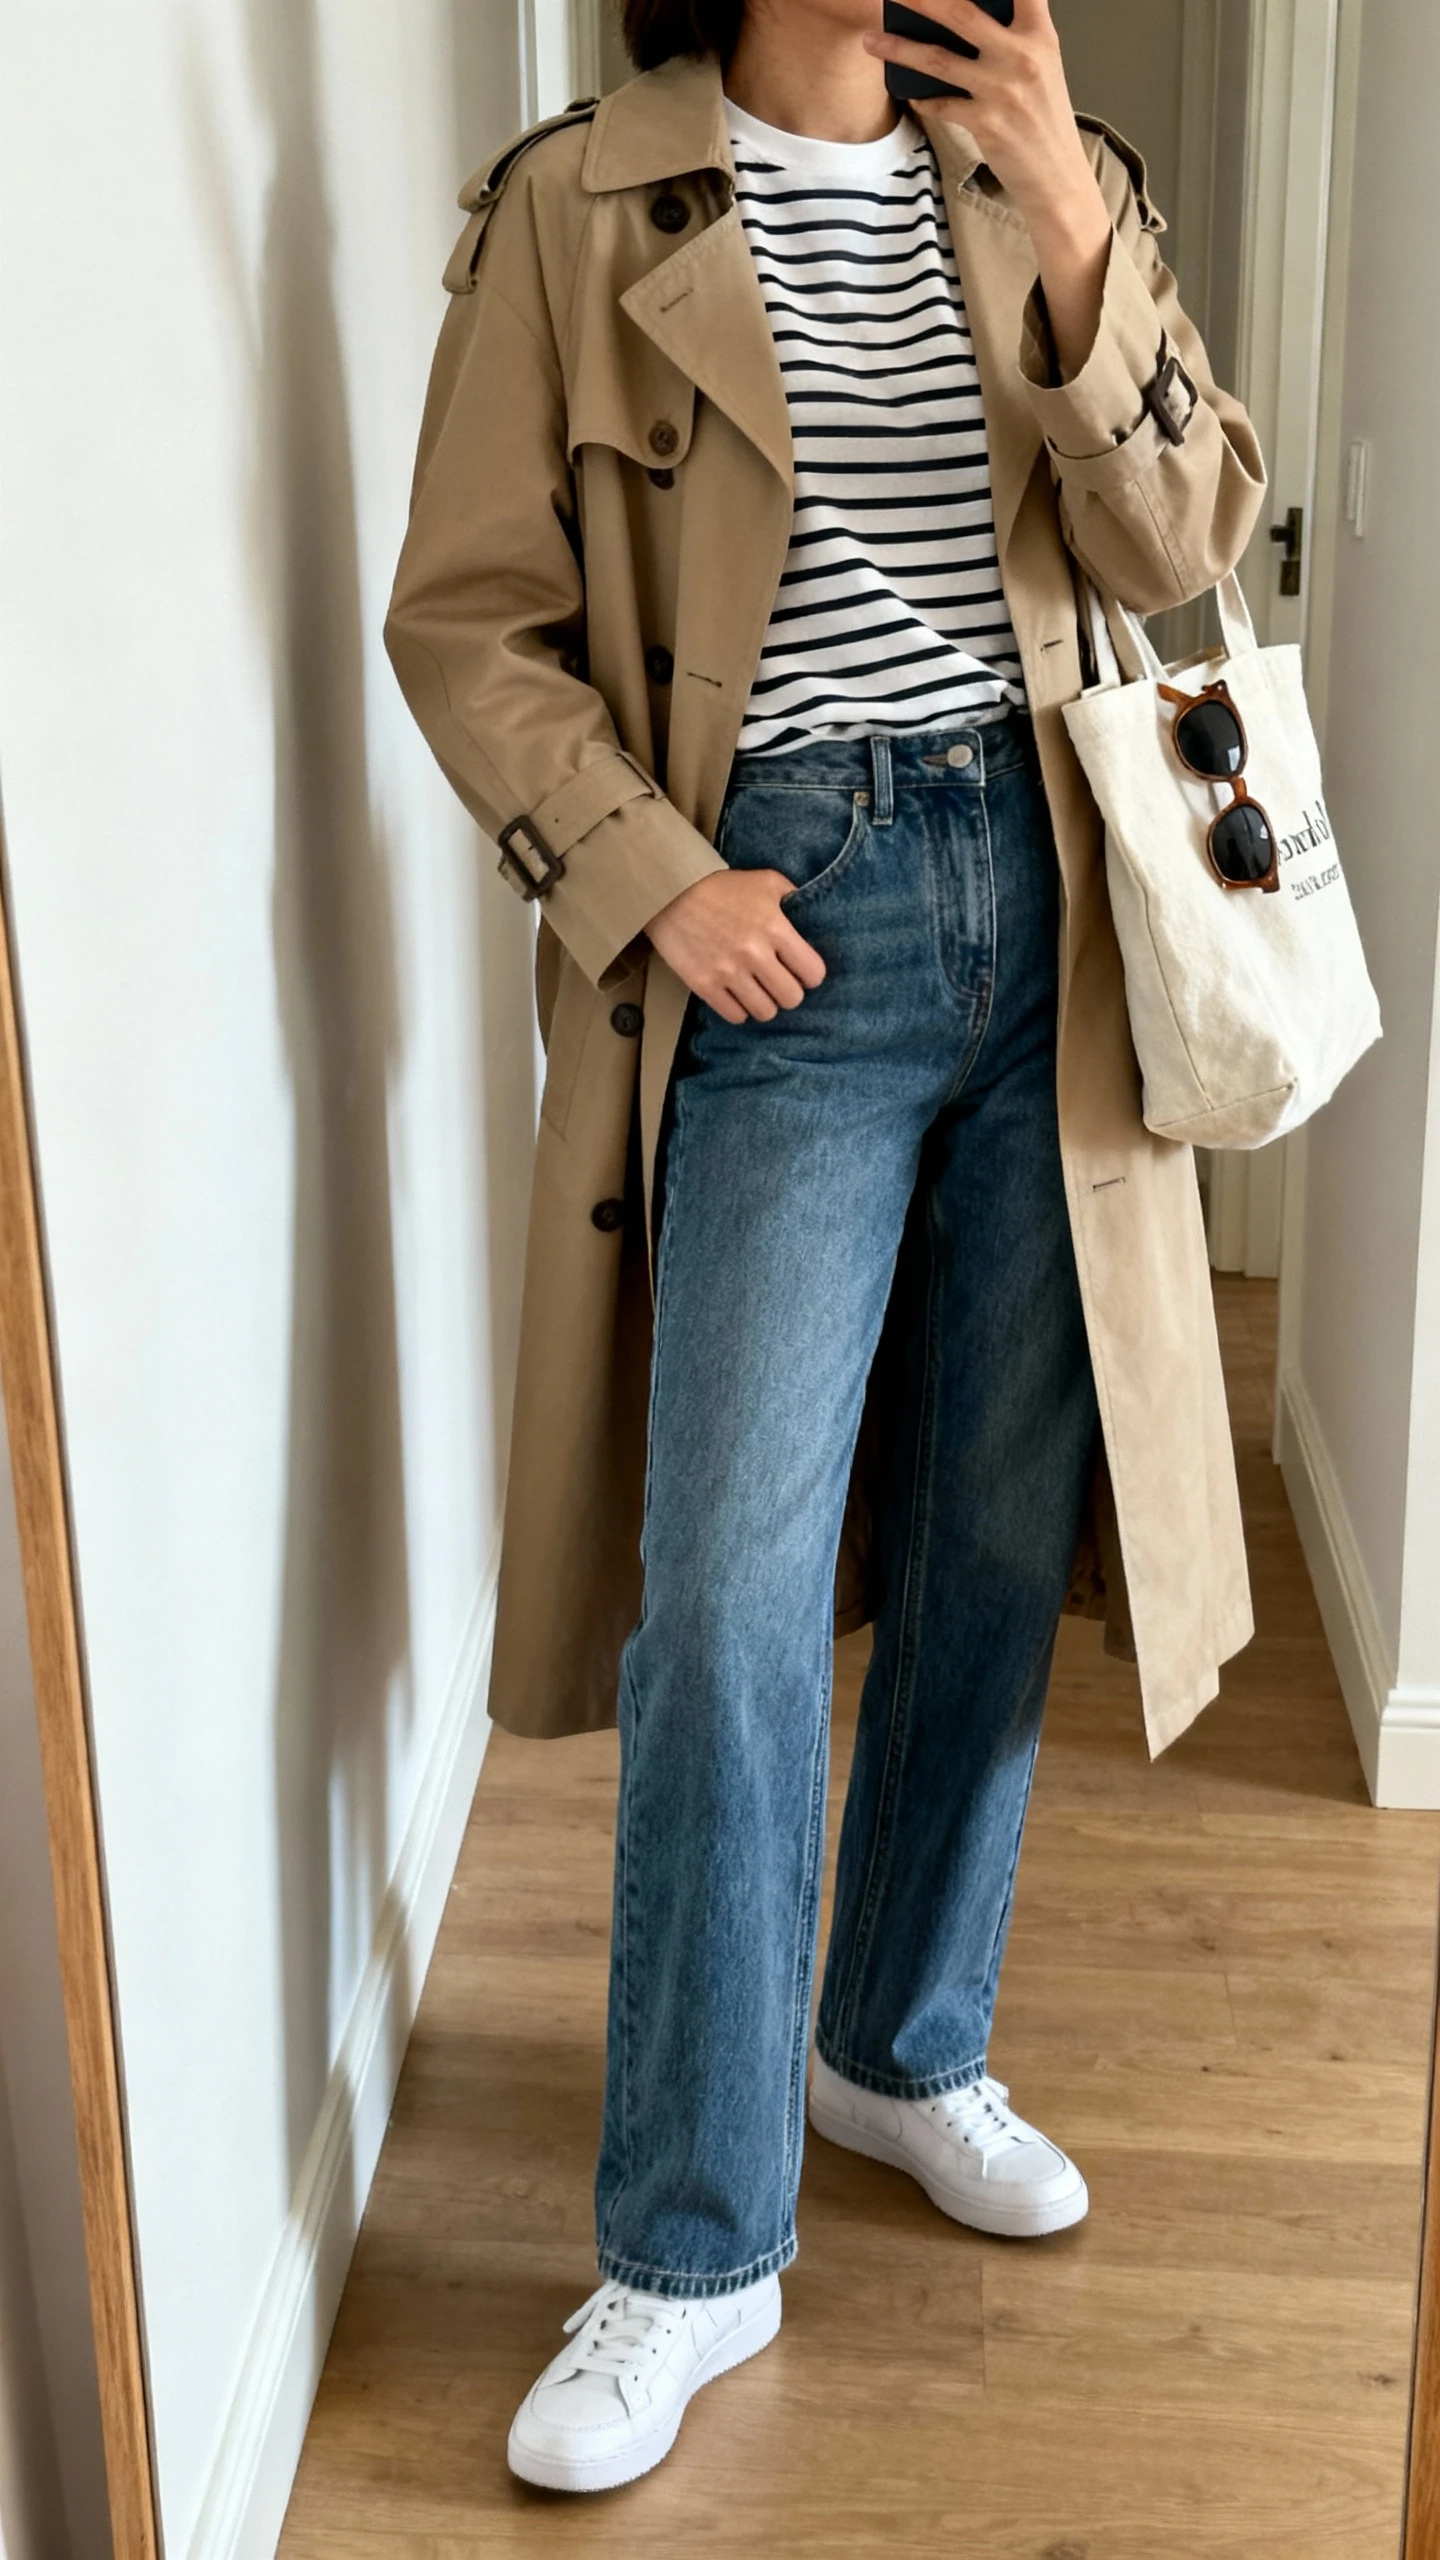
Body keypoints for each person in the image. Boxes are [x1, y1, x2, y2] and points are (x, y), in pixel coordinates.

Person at [386, 0, 1265, 2497]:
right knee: (734, 1594)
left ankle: (900, 2036)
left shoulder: (1047, 170)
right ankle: (685, 2241)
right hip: (787, 920)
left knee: (997, 1529)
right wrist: (659, 885)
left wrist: (1087, 233)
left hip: (1057, 912)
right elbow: (470, 619)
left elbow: (1184, 542)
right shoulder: (581, 200)